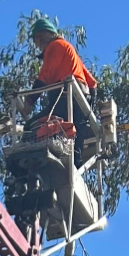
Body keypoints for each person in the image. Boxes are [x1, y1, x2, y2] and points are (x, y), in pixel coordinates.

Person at [28, 17, 98, 159]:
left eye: (40, 38)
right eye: (37, 40)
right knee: (75, 147)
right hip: (79, 99)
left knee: (31, 127)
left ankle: (30, 164)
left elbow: (44, 77)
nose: (40, 43)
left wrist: (29, 102)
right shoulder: (69, 50)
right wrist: (89, 109)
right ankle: (74, 160)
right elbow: (92, 83)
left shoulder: (54, 46)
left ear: (48, 34)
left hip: (66, 97)